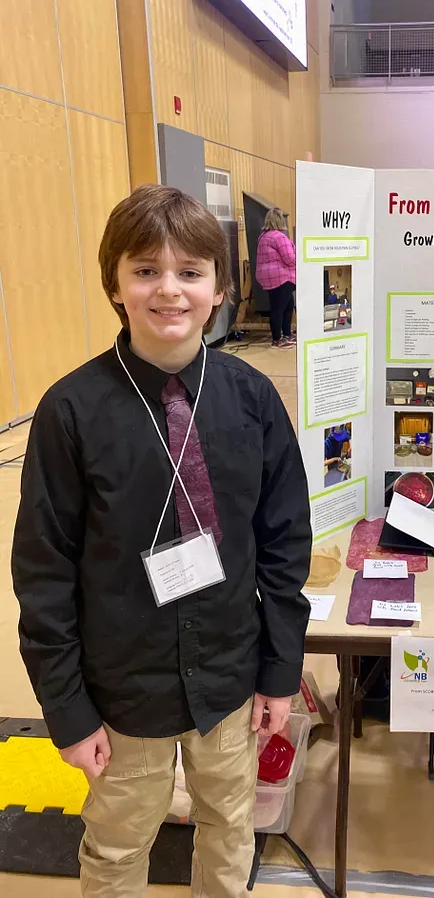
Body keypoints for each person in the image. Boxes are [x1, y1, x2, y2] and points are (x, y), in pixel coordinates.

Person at [12, 185, 312, 897]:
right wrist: (68, 709)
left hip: (230, 676)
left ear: (220, 290)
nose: (169, 290)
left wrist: (279, 670)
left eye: (190, 272)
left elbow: (283, 543)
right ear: (115, 285)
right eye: (146, 270)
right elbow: (44, 571)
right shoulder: (71, 410)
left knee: (231, 825)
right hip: (123, 687)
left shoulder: (252, 399)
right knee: (118, 846)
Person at [255, 207, 296, 348]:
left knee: (287, 305)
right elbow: (290, 259)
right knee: (280, 309)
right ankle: (277, 339)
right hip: (282, 277)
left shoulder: (263, 237)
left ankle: (286, 335)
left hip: (268, 278)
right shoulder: (280, 237)